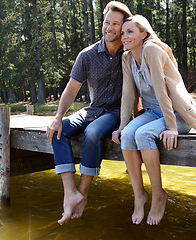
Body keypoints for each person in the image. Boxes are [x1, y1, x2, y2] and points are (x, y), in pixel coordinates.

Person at [112, 15, 196, 226]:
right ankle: (139, 194)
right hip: (154, 112)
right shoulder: (126, 58)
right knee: (128, 135)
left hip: (177, 113)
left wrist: (172, 127)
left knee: (143, 134)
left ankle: (158, 195)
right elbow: (128, 95)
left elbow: (163, 91)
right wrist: (121, 126)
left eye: (130, 32)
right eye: (123, 32)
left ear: (144, 34)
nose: (124, 36)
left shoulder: (152, 50)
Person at [46, 1, 132, 225]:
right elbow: (72, 88)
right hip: (92, 109)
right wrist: (57, 118)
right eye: (107, 22)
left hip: (116, 112)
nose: (110, 28)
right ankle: (69, 192)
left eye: (116, 24)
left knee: (92, 133)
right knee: (59, 130)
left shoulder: (131, 52)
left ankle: (83, 194)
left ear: (123, 27)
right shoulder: (87, 55)